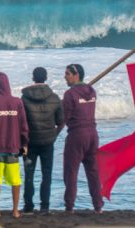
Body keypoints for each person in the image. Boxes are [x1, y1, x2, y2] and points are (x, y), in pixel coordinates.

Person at [0, 72, 29, 219]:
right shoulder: (17, 102)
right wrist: (25, 143)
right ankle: (15, 210)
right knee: (15, 179)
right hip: (13, 145)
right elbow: (23, 124)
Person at [21, 67, 64, 215]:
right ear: (46, 78)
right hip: (48, 143)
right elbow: (61, 122)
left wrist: (22, 141)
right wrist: (54, 135)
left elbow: (22, 123)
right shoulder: (54, 98)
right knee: (47, 174)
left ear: (33, 77)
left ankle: (28, 207)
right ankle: (45, 206)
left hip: (30, 143)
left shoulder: (24, 98)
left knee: (29, 174)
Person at [63, 64, 103, 214]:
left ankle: (69, 207)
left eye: (67, 74)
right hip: (93, 135)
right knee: (93, 171)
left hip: (77, 135)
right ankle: (98, 207)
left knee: (71, 171)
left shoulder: (69, 94)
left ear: (76, 75)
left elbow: (64, 116)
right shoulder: (92, 91)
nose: (65, 76)